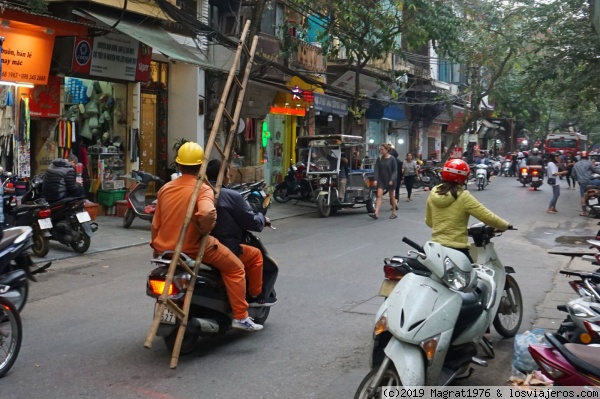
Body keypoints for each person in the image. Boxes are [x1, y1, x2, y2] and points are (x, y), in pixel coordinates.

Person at [150, 142, 264, 332]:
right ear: (200, 166)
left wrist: (156, 246)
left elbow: (156, 224)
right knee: (236, 268)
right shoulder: (202, 189)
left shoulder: (165, 188)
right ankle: (241, 316)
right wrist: (205, 229)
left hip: (165, 248)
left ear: (178, 165)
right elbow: (206, 214)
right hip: (195, 246)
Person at [205, 159, 276, 307]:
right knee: (255, 255)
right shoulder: (229, 196)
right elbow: (251, 221)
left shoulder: (196, 192)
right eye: (228, 173)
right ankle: (255, 297)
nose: (230, 177)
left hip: (193, 245)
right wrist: (262, 219)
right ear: (223, 175)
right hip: (221, 247)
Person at [425, 159, 510, 263]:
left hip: (435, 249)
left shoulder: (434, 193)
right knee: (473, 277)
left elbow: (429, 222)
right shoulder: (463, 196)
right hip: (456, 249)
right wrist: (505, 225)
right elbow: (486, 216)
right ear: (463, 178)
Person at [369, 143, 397, 220]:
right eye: (380, 149)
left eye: (382, 149)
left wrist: (392, 179)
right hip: (381, 180)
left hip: (390, 180)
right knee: (379, 195)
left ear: (387, 150)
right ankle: (376, 213)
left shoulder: (392, 159)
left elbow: (395, 171)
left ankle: (394, 212)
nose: (380, 151)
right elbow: (376, 169)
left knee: (391, 196)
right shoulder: (379, 159)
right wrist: (375, 179)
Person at [572, 151, 600, 217]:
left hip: (582, 183)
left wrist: (578, 179)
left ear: (580, 157)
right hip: (590, 181)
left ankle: (584, 212)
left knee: (583, 197)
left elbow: (573, 174)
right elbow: (596, 170)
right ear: (587, 157)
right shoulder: (589, 163)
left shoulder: (576, 164)